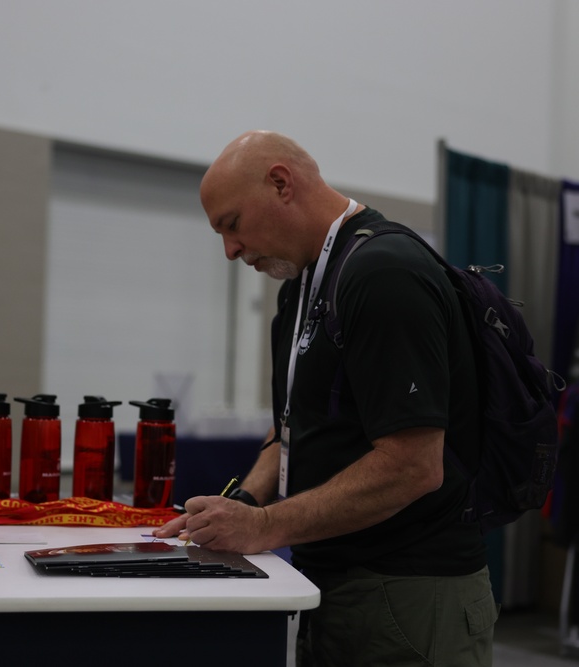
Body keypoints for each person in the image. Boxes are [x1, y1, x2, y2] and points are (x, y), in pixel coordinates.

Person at [154, 131, 498, 665]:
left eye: (233, 224)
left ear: (281, 184)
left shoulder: (384, 272)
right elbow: (289, 427)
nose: (229, 251)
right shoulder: (302, 285)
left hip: (409, 591)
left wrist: (265, 527)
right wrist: (242, 505)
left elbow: (413, 466)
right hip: (333, 584)